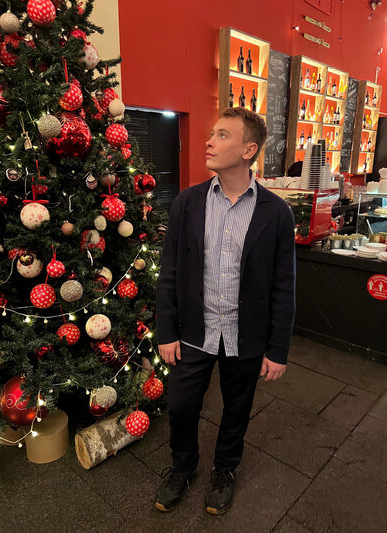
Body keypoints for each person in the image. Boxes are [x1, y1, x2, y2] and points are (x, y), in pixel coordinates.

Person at [155, 107, 296, 515]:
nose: (208, 141)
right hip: (193, 330)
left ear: (249, 150)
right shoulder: (187, 203)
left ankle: (225, 469)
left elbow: (284, 285)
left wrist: (278, 349)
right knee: (181, 405)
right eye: (212, 132)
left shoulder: (276, 213)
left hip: (245, 333)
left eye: (222, 135)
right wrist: (166, 331)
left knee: (237, 408)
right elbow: (169, 272)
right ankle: (183, 466)